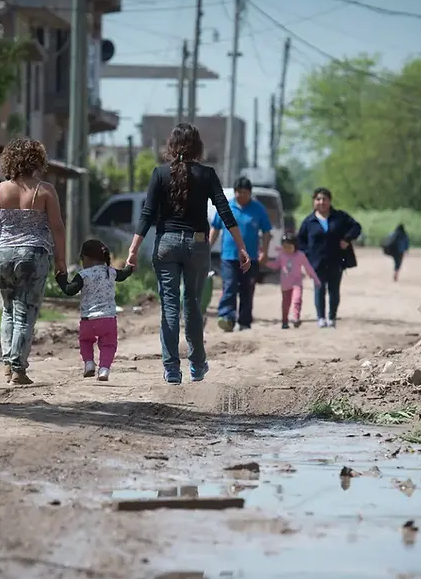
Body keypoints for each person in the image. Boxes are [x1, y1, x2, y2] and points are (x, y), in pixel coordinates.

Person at [126, 123, 251, 385]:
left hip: (166, 244)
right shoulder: (207, 174)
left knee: (170, 307)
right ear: (198, 147)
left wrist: (133, 249)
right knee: (192, 303)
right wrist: (241, 246)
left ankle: (172, 369)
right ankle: (196, 364)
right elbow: (224, 211)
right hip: (197, 244)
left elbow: (147, 214)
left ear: (171, 146)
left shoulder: (160, 173)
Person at [0, 137, 66, 385]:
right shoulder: (45, 190)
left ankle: (7, 364)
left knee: (8, 310)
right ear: (37, 161)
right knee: (25, 312)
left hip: (3, 255)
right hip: (33, 254)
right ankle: (18, 369)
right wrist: (61, 261)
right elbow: (58, 228)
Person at [55, 239, 133, 382]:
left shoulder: (83, 274)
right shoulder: (110, 272)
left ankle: (89, 363)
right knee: (108, 345)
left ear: (86, 257)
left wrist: (61, 278)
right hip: (108, 319)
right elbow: (123, 274)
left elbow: (69, 290)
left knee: (85, 341)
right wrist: (130, 266)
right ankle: (104, 369)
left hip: (88, 320)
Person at [209, 176, 272, 332]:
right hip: (229, 256)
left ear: (250, 193)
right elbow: (215, 228)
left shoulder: (258, 209)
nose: (242, 195)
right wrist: (207, 247)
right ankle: (227, 317)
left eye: (245, 192)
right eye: (239, 192)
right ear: (234, 192)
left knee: (247, 289)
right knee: (229, 286)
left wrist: (264, 251)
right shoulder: (226, 207)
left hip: (250, 257)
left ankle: (244, 321)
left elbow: (266, 231)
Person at [296, 187, 362, 328]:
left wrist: (346, 239)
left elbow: (356, 227)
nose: (321, 202)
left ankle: (332, 317)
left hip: (336, 260)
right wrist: (307, 255)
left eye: (324, 199)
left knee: (334, 290)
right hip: (317, 262)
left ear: (330, 201)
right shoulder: (309, 221)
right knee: (319, 289)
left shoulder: (340, 217)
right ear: (314, 201)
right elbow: (300, 241)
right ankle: (321, 317)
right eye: (318, 199)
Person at [266, 232, 320, 329]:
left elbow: (308, 268)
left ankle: (296, 318)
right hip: (285, 284)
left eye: (289, 247)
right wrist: (266, 263)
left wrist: (316, 279)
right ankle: (284, 321)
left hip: (297, 283)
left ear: (295, 246)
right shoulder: (282, 255)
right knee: (285, 304)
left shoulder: (300, 255)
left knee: (297, 299)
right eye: (284, 247)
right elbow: (276, 265)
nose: (287, 249)